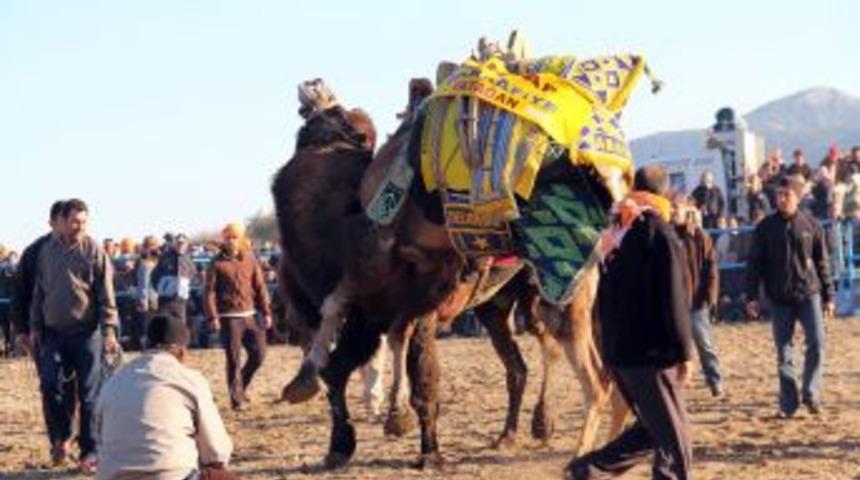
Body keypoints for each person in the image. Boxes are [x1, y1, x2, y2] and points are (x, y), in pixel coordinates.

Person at [566, 165, 693, 480]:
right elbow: (674, 298)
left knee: (652, 429)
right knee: (677, 441)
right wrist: (685, 351)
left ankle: (587, 471)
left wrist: (609, 354)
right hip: (652, 355)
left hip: (622, 355)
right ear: (663, 195)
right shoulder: (660, 234)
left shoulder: (617, 235)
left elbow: (604, 298)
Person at [29, 198, 119, 472]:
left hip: (86, 334)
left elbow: (107, 295)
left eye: (84, 221)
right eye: (75, 221)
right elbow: (39, 293)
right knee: (49, 386)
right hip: (53, 334)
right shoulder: (47, 251)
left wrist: (110, 332)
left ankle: (89, 453)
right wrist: (34, 327)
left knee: (90, 395)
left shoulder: (93, 250)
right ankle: (61, 437)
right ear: (63, 222)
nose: (80, 226)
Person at [96, 314, 235, 480]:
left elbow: (99, 437)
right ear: (182, 352)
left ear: (145, 346)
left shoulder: (114, 381)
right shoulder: (189, 379)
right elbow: (217, 451)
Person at [746, 176, 835, 418]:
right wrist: (752, 296)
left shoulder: (811, 225)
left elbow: (822, 262)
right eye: (779, 195)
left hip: (809, 295)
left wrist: (829, 296)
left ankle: (812, 393)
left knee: (817, 343)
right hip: (780, 299)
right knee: (784, 353)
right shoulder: (764, 228)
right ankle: (788, 404)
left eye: (787, 195)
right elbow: (754, 264)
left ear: (798, 197)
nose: (782, 199)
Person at [205, 222, 272, 411]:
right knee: (233, 359)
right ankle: (237, 400)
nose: (231, 241)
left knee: (259, 354)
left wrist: (266, 312)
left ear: (241, 239)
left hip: (251, 315)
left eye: (235, 237)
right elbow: (209, 292)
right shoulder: (216, 263)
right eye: (228, 238)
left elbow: (260, 287)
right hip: (229, 317)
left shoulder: (250, 259)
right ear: (224, 240)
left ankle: (240, 386)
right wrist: (213, 316)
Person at [673, 199, 723, 397]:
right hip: (674, 303)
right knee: (674, 347)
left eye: (676, 207)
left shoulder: (700, 236)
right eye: (672, 208)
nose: (673, 211)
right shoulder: (666, 236)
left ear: (686, 210)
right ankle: (676, 385)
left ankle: (714, 380)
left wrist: (710, 297)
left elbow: (711, 268)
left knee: (705, 344)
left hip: (695, 301)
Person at [151, 233, 195, 324]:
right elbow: (154, 276)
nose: (180, 246)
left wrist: (187, 290)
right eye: (178, 243)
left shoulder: (188, 260)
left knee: (179, 325)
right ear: (175, 244)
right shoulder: (165, 257)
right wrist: (161, 289)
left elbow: (192, 276)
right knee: (164, 325)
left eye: (183, 244)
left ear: (186, 245)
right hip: (165, 300)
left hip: (181, 301)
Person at [131, 235, 160, 349]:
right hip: (153, 298)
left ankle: (147, 347)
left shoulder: (146, 264)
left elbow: (143, 285)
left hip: (151, 299)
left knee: (147, 326)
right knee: (149, 326)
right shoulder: (151, 264)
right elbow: (144, 284)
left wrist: (143, 301)